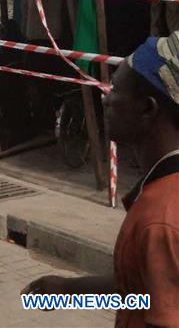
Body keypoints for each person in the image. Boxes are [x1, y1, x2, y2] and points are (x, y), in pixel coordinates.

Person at [23, 32, 179, 328]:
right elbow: (143, 291)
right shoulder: (162, 189)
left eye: (116, 90)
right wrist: (70, 291)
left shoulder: (162, 218)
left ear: (147, 109)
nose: (106, 99)